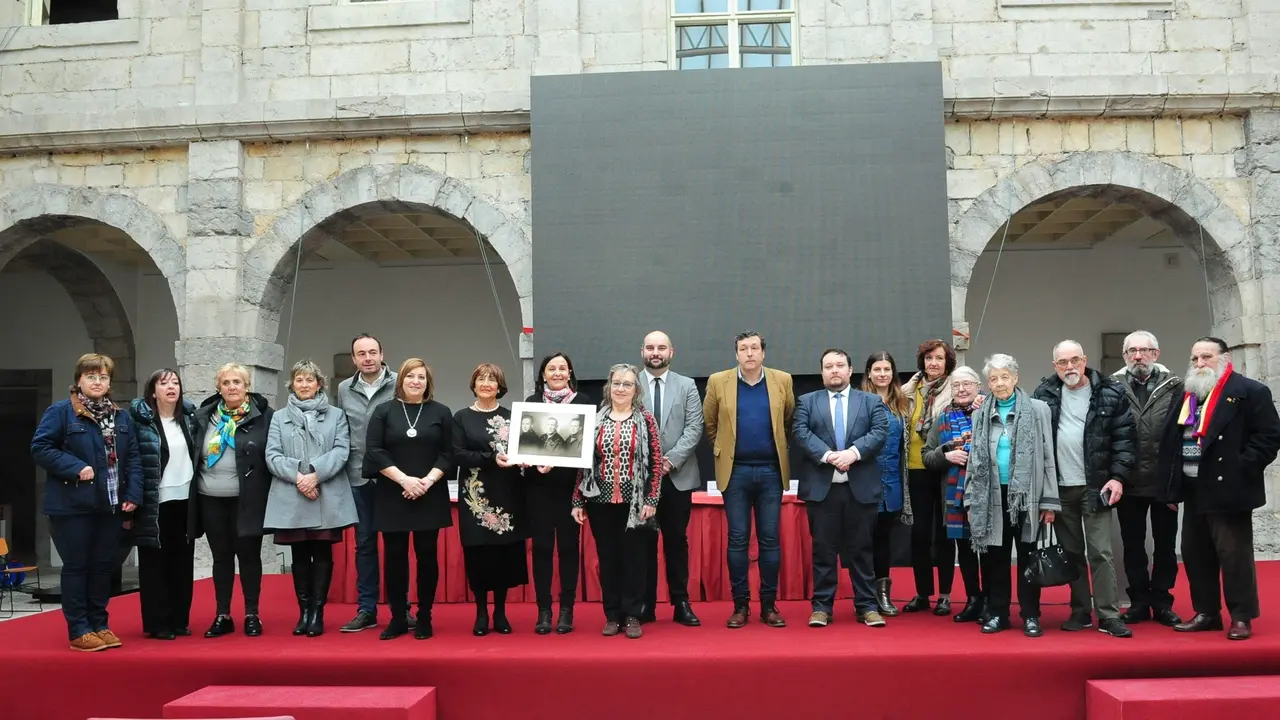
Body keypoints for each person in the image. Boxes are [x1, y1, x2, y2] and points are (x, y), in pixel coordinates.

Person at [1159, 337, 1280, 641]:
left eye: (1207, 357)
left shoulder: (1249, 392)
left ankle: (1241, 616)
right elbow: (1172, 441)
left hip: (1229, 489)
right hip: (1192, 487)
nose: (1200, 364)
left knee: (1234, 555)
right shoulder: (1188, 395)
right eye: (1195, 358)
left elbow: (1269, 437)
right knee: (1195, 553)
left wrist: (1241, 466)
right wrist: (1171, 487)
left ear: (1224, 358)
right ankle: (1207, 612)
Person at [31, 353, 142, 652]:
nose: (97, 381)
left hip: (109, 505)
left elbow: (132, 459)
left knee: (103, 567)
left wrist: (133, 494)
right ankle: (79, 628)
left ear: (109, 382)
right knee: (78, 566)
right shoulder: (61, 412)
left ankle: (99, 623)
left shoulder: (121, 416)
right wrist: (74, 466)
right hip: (72, 506)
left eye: (103, 377)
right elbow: (40, 448)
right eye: (91, 376)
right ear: (79, 379)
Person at [1032, 340, 1134, 638]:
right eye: (1062, 362)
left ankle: (1109, 614)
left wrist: (1117, 477)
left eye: (1074, 360)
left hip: (1096, 486)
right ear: (1055, 366)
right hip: (1061, 490)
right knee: (1072, 553)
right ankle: (1080, 611)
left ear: (1084, 360)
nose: (1069, 367)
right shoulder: (1044, 394)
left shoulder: (1109, 392)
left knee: (1101, 552)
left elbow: (1125, 440)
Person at [703, 330, 795, 629]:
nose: (750, 353)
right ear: (737, 354)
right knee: (738, 539)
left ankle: (769, 604)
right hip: (736, 472)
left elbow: (788, 420)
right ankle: (740, 605)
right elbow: (711, 422)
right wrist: (724, 449)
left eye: (755, 348)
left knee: (770, 539)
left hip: (770, 470)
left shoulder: (782, 380)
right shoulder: (719, 381)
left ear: (763, 353)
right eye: (744, 349)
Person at [965, 354, 1060, 636]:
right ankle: (997, 613)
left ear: (1016, 378)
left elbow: (1047, 455)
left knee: (1029, 557)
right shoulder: (979, 413)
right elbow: (973, 460)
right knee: (996, 558)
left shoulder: (1038, 409)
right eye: (993, 378)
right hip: (991, 496)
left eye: (1005, 376)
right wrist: (972, 499)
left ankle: (1031, 614)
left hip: (1027, 496)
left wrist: (1049, 501)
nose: (999, 383)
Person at [794, 349, 889, 628]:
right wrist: (830, 456)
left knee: (862, 550)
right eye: (828, 366)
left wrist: (853, 453)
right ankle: (822, 607)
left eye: (839, 366)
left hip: (860, 488)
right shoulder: (807, 402)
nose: (834, 370)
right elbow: (801, 432)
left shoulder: (871, 401)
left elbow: (879, 432)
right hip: (822, 490)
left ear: (850, 370)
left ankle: (867, 606)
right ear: (821, 371)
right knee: (823, 551)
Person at [264, 360, 356, 638]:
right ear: (292, 384)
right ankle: (303, 611)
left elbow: (342, 450)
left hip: (326, 493)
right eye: (299, 380)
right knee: (300, 554)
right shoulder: (279, 417)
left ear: (319, 384)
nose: (304, 385)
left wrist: (315, 475)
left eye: (310, 380)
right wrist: (300, 478)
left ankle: (318, 611)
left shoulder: (336, 415)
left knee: (323, 552)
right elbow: (272, 455)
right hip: (293, 493)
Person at [363, 358, 453, 640]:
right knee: (395, 557)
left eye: (422, 377)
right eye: (411, 376)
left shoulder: (441, 411)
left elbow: (449, 452)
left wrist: (426, 481)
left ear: (429, 383)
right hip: (393, 493)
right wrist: (404, 479)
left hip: (430, 491)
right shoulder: (384, 411)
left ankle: (424, 616)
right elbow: (374, 450)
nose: (416, 381)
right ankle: (398, 616)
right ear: (400, 380)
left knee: (427, 557)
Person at [572, 363, 662, 639]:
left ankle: (633, 614)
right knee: (608, 560)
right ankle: (612, 615)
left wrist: (651, 498)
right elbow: (583, 463)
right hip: (599, 502)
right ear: (608, 387)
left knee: (634, 560)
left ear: (636, 390)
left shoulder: (645, 419)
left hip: (635, 505)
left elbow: (656, 463)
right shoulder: (596, 420)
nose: (621, 388)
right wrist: (577, 500)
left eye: (627, 384)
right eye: (616, 383)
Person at [191, 362, 273, 638]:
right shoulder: (204, 416)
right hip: (210, 498)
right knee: (221, 558)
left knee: (249, 557)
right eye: (226, 383)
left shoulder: (264, 417)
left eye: (237, 382)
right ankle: (222, 614)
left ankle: (252, 614)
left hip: (247, 499)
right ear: (219, 387)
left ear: (247, 386)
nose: (232, 387)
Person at [1112, 330, 1183, 627]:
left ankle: (1162, 602)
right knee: (1133, 545)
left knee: (1166, 545)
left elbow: (1184, 434)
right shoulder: (1112, 387)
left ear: (1156, 354)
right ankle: (1139, 601)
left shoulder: (1177, 387)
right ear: (1125, 355)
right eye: (1132, 351)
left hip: (1164, 481)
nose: (1138, 356)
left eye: (1144, 350)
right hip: (1128, 481)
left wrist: (1179, 481)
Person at [453, 363, 529, 636]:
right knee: (479, 554)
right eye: (481, 379)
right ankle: (481, 612)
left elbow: (526, 449)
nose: (486, 383)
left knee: (503, 554)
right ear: (473, 384)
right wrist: (490, 458)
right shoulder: (461, 417)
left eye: (492, 379)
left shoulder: (514, 416)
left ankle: (500, 611)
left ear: (500, 386)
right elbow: (457, 454)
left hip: (508, 493)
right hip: (476, 496)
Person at [901, 339, 973, 617]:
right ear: (922, 361)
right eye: (929, 358)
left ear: (948, 363)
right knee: (918, 535)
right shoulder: (908, 391)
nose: (933, 363)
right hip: (915, 469)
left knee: (944, 535)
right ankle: (922, 594)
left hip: (946, 470)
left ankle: (944, 596)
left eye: (939, 358)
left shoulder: (956, 389)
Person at [524, 352, 594, 635]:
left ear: (569, 372)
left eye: (562, 368)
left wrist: (557, 461)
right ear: (542, 374)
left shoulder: (584, 403)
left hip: (570, 490)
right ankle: (543, 610)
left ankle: (566, 609)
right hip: (537, 489)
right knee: (540, 549)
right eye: (551, 368)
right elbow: (525, 443)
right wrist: (528, 460)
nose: (556, 373)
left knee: (567, 549)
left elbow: (588, 450)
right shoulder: (530, 404)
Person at [639, 330, 705, 626]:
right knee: (644, 544)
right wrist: (646, 464)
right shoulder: (629, 382)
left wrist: (669, 461)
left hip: (676, 476)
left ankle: (681, 603)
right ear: (642, 351)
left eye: (661, 347)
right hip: (639, 480)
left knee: (676, 541)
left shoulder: (687, 385)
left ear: (671, 352)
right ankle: (645, 605)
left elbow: (694, 427)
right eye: (651, 347)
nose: (656, 352)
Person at [336, 334, 399, 634]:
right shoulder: (343, 389)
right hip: (358, 476)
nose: (368, 358)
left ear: (382, 353)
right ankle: (367, 609)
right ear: (354, 359)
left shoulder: (400, 383)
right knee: (364, 544)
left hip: (394, 477)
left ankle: (402, 609)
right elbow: (341, 431)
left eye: (373, 351)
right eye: (361, 353)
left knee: (397, 546)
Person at [129, 368, 199, 640]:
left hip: (185, 500)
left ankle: (179, 620)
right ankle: (158, 623)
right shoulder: (141, 422)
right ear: (153, 390)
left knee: (182, 562)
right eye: (164, 383)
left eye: (176, 382)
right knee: (155, 563)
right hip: (155, 501)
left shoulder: (189, 420)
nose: (172, 387)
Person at [921, 366, 985, 624]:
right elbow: (927, 455)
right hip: (956, 499)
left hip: (987, 496)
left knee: (992, 554)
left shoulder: (988, 410)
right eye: (956, 385)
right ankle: (973, 600)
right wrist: (945, 456)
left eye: (967, 384)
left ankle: (993, 600)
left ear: (978, 386)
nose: (961, 389)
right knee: (967, 553)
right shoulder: (942, 418)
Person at [861, 351, 913, 617]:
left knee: (883, 540)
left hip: (892, 481)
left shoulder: (903, 403)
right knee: (862, 540)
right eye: (877, 369)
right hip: (863, 480)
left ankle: (882, 593)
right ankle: (864, 595)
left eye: (887, 369)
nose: (882, 374)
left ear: (893, 373)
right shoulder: (857, 402)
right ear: (868, 373)